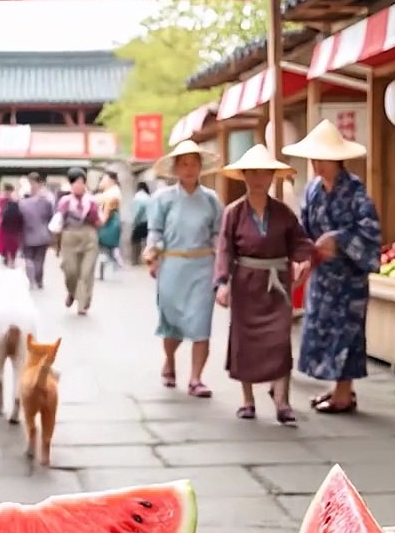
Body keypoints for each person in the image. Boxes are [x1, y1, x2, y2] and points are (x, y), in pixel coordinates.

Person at [283, 120, 382, 415]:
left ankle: (343, 394)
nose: (316, 165)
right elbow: (304, 229)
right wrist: (303, 258)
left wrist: (338, 240)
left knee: (347, 334)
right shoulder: (314, 190)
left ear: (337, 160)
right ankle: (339, 389)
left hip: (349, 278)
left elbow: (370, 232)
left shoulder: (355, 192)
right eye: (313, 159)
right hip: (323, 277)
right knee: (321, 331)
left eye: (321, 159)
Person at [214, 145, 316, 423]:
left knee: (280, 340)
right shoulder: (233, 213)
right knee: (244, 341)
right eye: (254, 172)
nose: (259, 178)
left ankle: (282, 401)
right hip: (246, 284)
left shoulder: (283, 213)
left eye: (265, 173)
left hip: (277, 285)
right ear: (245, 175)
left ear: (272, 176)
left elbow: (300, 242)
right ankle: (247, 400)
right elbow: (224, 249)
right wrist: (222, 283)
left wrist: (302, 260)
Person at [143, 140, 223, 398]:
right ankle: (169, 359)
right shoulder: (162, 199)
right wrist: (152, 255)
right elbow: (155, 231)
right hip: (173, 265)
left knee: (201, 323)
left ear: (201, 167)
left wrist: (223, 266)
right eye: (184, 164)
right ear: (176, 168)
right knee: (172, 321)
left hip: (203, 266)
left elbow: (217, 235)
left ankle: (196, 378)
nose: (189, 169)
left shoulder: (211, 200)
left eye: (193, 163)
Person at [53, 167, 101, 315]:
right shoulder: (64, 202)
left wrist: (94, 215)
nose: (79, 185)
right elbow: (57, 224)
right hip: (70, 236)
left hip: (89, 237)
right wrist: (56, 245)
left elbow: (100, 222)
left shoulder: (92, 200)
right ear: (71, 184)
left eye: (81, 182)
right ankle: (72, 292)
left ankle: (84, 303)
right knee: (71, 271)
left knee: (86, 272)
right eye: (75, 182)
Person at [18, 174, 55, 289]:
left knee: (29, 258)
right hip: (43, 234)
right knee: (40, 259)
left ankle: (31, 278)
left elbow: (19, 220)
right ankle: (38, 280)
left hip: (27, 234)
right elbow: (51, 217)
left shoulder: (22, 203)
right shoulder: (46, 202)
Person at [95, 170, 124, 275]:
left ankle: (113, 261)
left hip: (109, 223)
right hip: (112, 223)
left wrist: (102, 221)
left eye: (104, 178)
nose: (102, 181)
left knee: (104, 246)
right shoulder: (111, 192)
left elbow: (107, 210)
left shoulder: (113, 193)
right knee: (107, 248)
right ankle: (112, 261)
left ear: (111, 180)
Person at [0, 181, 23, 266]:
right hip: (1, 224)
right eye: (7, 191)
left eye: (10, 191)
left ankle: (10, 257)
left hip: (10, 225)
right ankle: (5, 256)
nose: (8, 193)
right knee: (4, 242)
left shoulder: (14, 201)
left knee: (11, 242)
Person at [131, 181, 151, 264]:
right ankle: (149, 258)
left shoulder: (138, 197)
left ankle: (135, 260)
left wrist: (134, 223)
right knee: (148, 241)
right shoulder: (149, 197)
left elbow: (137, 212)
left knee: (135, 240)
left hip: (141, 223)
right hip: (150, 222)